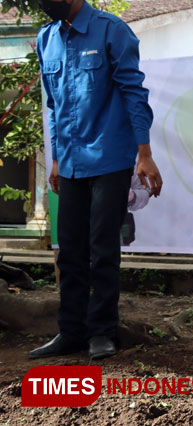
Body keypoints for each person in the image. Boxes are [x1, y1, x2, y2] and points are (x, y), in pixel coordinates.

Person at [28, 0, 162, 360]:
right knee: (69, 253)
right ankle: (70, 332)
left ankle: (102, 332)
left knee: (103, 251)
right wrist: (56, 158)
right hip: (70, 164)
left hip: (109, 159)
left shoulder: (111, 30)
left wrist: (144, 153)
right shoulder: (47, 39)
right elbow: (54, 106)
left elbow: (134, 92)